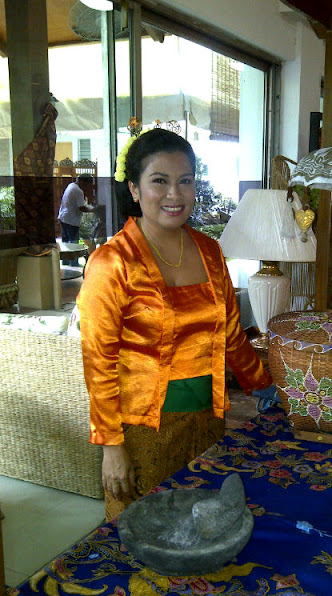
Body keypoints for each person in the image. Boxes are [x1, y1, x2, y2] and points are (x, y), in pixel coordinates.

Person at [77, 128, 273, 520]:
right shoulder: (112, 262)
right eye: (159, 181)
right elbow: (98, 362)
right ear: (134, 189)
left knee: (201, 526)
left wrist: (268, 386)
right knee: (147, 533)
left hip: (207, 421)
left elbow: (231, 335)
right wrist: (111, 446)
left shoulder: (209, 250)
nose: (174, 194)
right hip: (142, 431)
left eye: (185, 181)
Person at [58, 174, 95, 244]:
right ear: (82, 182)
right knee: (74, 243)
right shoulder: (78, 191)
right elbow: (82, 208)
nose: (86, 187)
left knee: (66, 243)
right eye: (87, 185)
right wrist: (93, 210)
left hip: (64, 218)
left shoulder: (71, 185)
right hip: (71, 221)